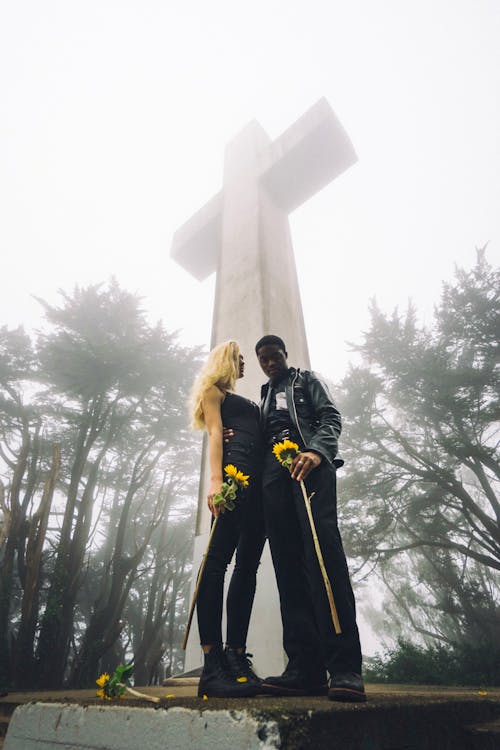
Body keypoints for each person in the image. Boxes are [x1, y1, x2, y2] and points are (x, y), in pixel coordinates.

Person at [254, 334, 366, 702]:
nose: (269, 363)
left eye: (274, 356)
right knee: (287, 568)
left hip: (309, 467)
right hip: (273, 478)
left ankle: (345, 667)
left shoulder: (307, 380)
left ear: (285, 355)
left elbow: (330, 416)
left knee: (322, 557)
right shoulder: (264, 395)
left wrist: (318, 452)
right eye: (263, 359)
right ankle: (305, 668)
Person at [189, 340, 265, 698]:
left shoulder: (247, 402)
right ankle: (212, 663)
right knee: (216, 564)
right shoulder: (213, 391)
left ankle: (236, 656)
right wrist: (217, 482)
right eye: (240, 358)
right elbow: (216, 433)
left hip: (259, 490)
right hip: (234, 481)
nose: (246, 363)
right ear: (226, 360)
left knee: (247, 568)